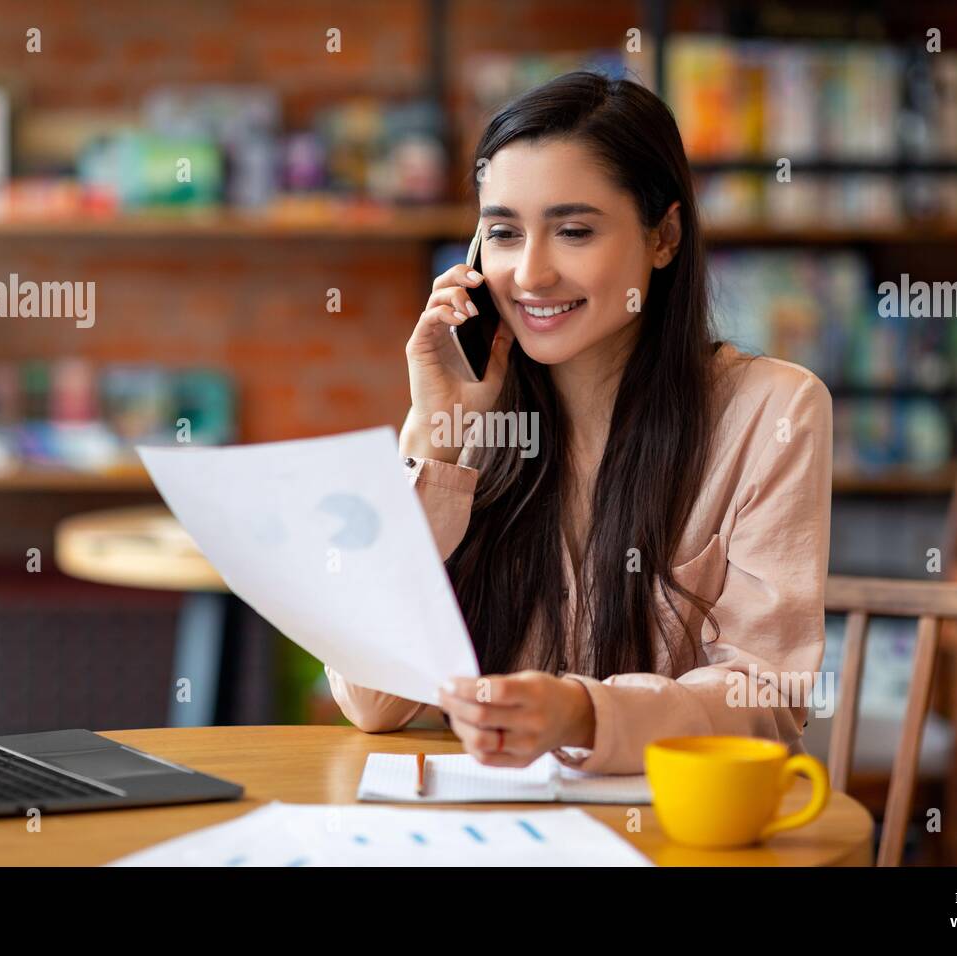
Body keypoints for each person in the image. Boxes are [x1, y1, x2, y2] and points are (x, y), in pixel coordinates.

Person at [325, 70, 832, 775]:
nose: (530, 274)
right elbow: (370, 701)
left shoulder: (773, 409)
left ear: (664, 237)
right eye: (503, 233)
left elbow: (765, 701)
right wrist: (433, 438)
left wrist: (582, 713)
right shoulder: (474, 415)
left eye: (573, 231)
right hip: (495, 821)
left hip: (674, 824)